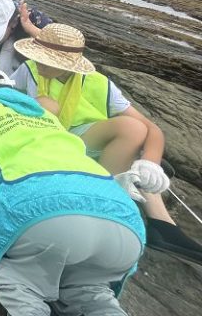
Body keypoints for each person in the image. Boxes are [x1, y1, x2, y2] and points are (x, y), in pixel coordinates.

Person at [11, 23, 202, 265]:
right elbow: (3, 94)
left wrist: (150, 163)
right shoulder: (29, 70)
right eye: (37, 57)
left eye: (46, 60)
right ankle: (156, 223)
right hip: (48, 140)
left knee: (134, 130)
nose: (38, 62)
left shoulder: (98, 83)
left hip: (86, 143)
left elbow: (152, 129)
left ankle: (152, 221)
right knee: (50, 106)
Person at [0, 67, 145, 316]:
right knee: (91, 293)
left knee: (22, 285)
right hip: (123, 222)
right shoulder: (45, 115)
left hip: (45, 215)